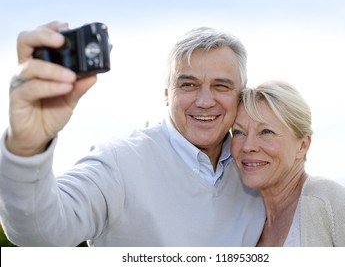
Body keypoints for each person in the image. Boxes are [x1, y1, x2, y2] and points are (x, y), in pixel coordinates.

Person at [0, 21, 265, 246]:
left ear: (242, 96)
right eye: (188, 84)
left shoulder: (258, 170)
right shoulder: (119, 163)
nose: (205, 100)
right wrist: (27, 147)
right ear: (166, 94)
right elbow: (40, 232)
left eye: (221, 86)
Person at [231, 80, 345, 247]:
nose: (248, 146)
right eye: (239, 132)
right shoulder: (248, 218)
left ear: (303, 145)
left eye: (266, 132)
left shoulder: (329, 201)